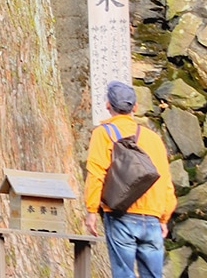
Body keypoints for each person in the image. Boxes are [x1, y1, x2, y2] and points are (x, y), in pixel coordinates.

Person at [85, 81, 175, 278]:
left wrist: (91, 210)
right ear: (134, 107)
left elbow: (96, 173)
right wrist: (164, 217)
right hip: (152, 217)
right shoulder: (153, 138)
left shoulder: (103, 133)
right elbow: (165, 181)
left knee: (124, 273)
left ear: (108, 105)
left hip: (121, 215)